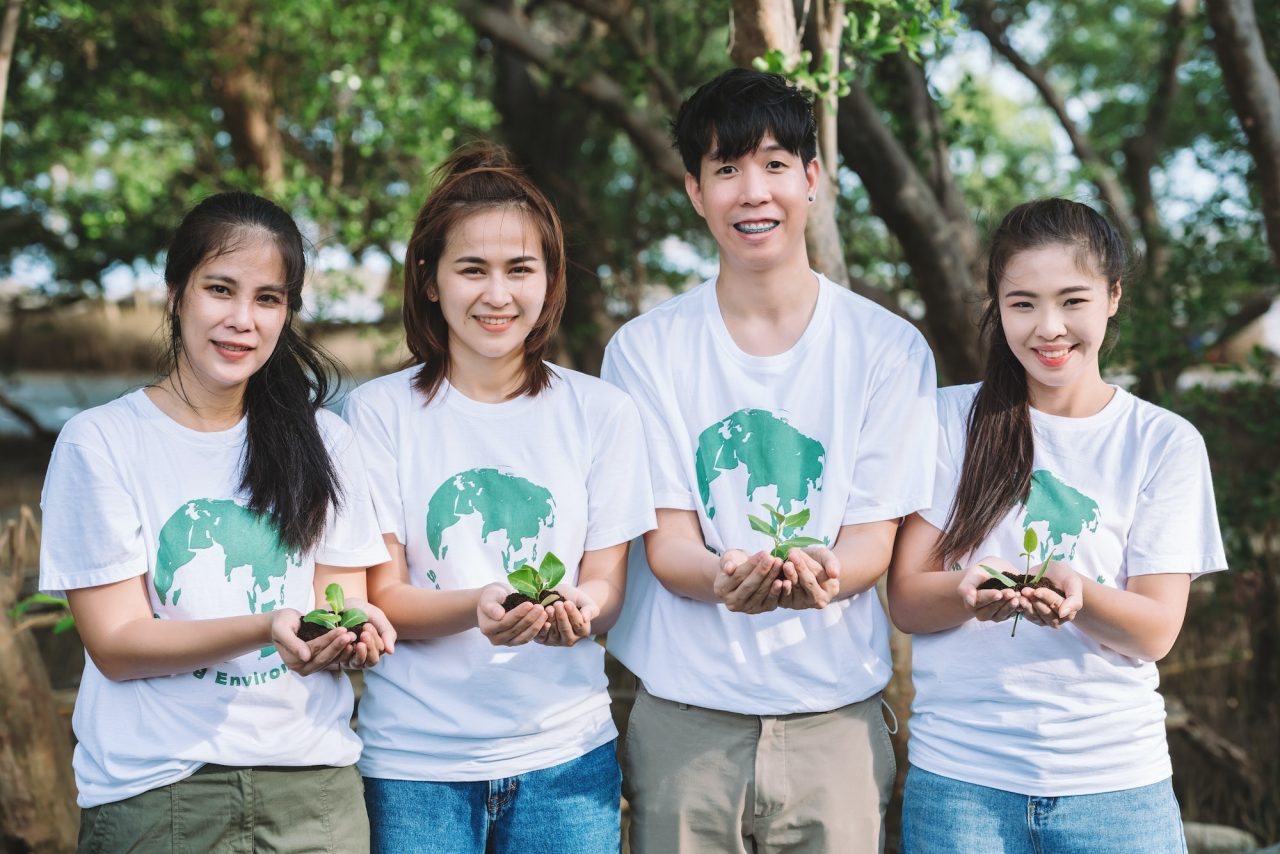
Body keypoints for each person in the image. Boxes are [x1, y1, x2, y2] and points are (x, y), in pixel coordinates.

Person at [601, 68, 938, 853]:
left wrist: (818, 576)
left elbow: (870, 544)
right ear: (694, 189)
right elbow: (670, 543)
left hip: (836, 729)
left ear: (812, 178)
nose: (754, 193)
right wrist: (726, 578)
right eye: (726, 169)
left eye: (776, 164)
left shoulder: (888, 350)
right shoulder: (645, 351)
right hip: (686, 725)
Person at [38, 191, 396, 853]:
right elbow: (115, 645)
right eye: (220, 289)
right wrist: (266, 627)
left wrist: (345, 639)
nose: (242, 320)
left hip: (313, 793)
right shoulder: (102, 442)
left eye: (268, 299)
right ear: (175, 294)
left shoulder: (326, 443)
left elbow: (336, 604)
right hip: (159, 795)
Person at [887, 198, 1226, 853]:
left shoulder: (1161, 442)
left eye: (1073, 300)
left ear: (1112, 297)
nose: (1049, 328)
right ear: (996, 305)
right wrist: (967, 590)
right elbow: (906, 597)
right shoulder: (944, 421)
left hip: (1117, 791)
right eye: (1023, 303)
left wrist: (1080, 596)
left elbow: (1156, 629)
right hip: (961, 787)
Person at [344, 142, 655, 854]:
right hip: (414, 768)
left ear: (549, 279)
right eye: (471, 269)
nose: (498, 294)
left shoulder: (603, 414)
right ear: (428, 281)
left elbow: (606, 584)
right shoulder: (376, 415)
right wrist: (478, 606)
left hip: (566, 760)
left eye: (520, 269)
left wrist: (582, 609)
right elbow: (384, 595)